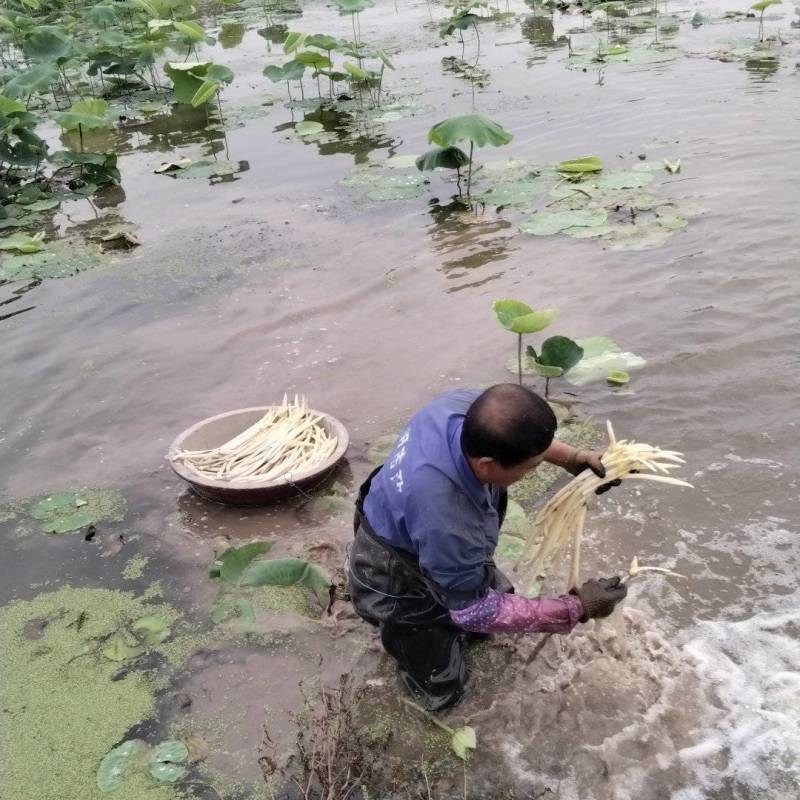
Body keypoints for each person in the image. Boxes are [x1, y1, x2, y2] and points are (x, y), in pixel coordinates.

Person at [348, 383, 628, 711]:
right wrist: (576, 608)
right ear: (485, 465)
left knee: (479, 608)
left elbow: (526, 438)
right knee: (437, 675)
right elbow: (476, 611)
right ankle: (432, 701)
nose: (533, 470)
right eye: (530, 467)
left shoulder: (466, 408)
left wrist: (573, 459)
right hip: (393, 569)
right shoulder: (451, 521)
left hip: (399, 514)